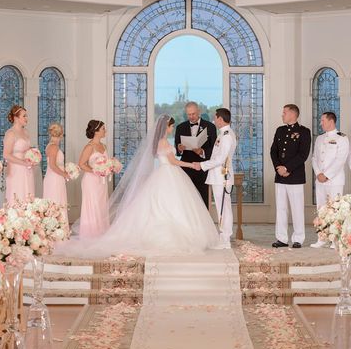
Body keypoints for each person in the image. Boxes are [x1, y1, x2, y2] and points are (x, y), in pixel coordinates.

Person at [56, 115, 218, 257]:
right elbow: (173, 161)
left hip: (164, 174)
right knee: (172, 206)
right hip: (169, 173)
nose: (172, 128)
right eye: (171, 126)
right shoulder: (163, 142)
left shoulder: (158, 142)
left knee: (160, 207)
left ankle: (101, 231)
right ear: (166, 127)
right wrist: (192, 165)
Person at [270, 104, 311, 249]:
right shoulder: (280, 130)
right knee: (281, 208)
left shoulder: (304, 132)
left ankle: (298, 238)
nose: (282, 115)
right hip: (280, 176)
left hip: (295, 176)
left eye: (284, 113)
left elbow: (303, 154)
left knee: (297, 208)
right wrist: (278, 168)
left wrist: (287, 168)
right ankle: (281, 238)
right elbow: (273, 151)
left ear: (293, 114)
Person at [197, 108, 238, 249]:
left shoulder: (226, 135)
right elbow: (217, 156)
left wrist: (202, 165)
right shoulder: (223, 134)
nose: (214, 120)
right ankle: (224, 236)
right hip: (219, 176)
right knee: (224, 207)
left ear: (220, 119)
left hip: (222, 176)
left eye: (215, 118)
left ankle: (225, 239)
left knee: (223, 208)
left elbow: (221, 159)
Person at [311, 112, 349, 248]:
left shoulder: (342, 138)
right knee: (321, 209)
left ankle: (335, 240)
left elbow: (340, 159)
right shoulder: (319, 138)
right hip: (320, 179)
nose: (320, 123)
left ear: (331, 121)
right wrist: (318, 173)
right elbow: (314, 158)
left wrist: (326, 175)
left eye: (322, 120)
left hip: (334, 180)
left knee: (334, 209)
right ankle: (321, 238)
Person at [175, 101, 217, 207]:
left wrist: (202, 152)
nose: (191, 117)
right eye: (189, 114)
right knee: (185, 198)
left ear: (199, 111)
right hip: (186, 168)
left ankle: (205, 221)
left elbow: (214, 149)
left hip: (203, 168)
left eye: (193, 114)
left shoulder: (210, 127)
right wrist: (179, 148)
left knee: (204, 197)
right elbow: (177, 149)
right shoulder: (180, 127)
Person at [76, 120, 110, 239]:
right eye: (103, 129)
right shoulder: (89, 147)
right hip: (91, 181)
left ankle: (101, 233)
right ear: (96, 131)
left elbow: (106, 162)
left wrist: (110, 166)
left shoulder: (104, 146)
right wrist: (96, 171)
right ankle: (91, 235)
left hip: (102, 182)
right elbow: (81, 164)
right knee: (92, 206)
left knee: (101, 206)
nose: (105, 131)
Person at [4, 105, 36, 203]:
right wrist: (23, 162)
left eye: (26, 116)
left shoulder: (26, 132)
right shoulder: (10, 133)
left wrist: (34, 155)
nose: (27, 118)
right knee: (18, 194)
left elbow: (27, 149)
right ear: (16, 118)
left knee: (28, 194)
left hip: (27, 168)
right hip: (16, 169)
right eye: (24, 116)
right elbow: (6, 154)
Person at [43, 123, 68, 217]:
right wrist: (65, 174)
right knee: (56, 201)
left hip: (55, 177)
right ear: (61, 134)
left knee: (58, 200)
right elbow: (52, 165)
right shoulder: (53, 147)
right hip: (55, 178)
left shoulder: (52, 146)